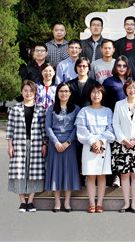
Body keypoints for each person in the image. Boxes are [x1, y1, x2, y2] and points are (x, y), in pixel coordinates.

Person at [6, 80, 47, 212]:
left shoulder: (41, 109)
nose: (28, 93)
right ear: (22, 92)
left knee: (34, 172)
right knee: (19, 172)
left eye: (31, 91)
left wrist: (45, 144)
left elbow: (43, 129)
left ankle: (30, 201)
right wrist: (10, 145)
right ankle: (22, 202)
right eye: (25, 90)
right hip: (19, 144)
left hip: (36, 144)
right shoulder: (15, 109)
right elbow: (10, 129)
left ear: (35, 93)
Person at [75, 84, 116, 213]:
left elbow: (111, 129)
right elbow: (81, 129)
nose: (96, 95)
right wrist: (93, 142)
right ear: (89, 95)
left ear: (103, 95)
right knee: (91, 175)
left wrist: (100, 141)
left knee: (102, 175)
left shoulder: (108, 111)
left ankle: (100, 203)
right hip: (88, 145)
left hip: (104, 145)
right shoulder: (84, 111)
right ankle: (92, 203)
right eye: (93, 92)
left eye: (99, 92)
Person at [112, 79, 135, 213]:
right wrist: (123, 140)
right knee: (124, 174)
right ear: (125, 90)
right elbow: (115, 124)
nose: (132, 90)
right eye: (129, 88)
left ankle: (133, 204)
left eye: (134, 88)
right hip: (122, 145)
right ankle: (126, 203)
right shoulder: (119, 104)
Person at [44, 82, 81, 212]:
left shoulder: (76, 108)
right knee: (55, 171)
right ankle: (57, 202)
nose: (64, 94)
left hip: (70, 144)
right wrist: (55, 142)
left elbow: (77, 127)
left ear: (70, 93)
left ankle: (67, 201)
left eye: (66, 91)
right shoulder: (51, 109)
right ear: (57, 93)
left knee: (68, 171)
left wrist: (68, 142)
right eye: (61, 91)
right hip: (55, 144)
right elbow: (48, 126)